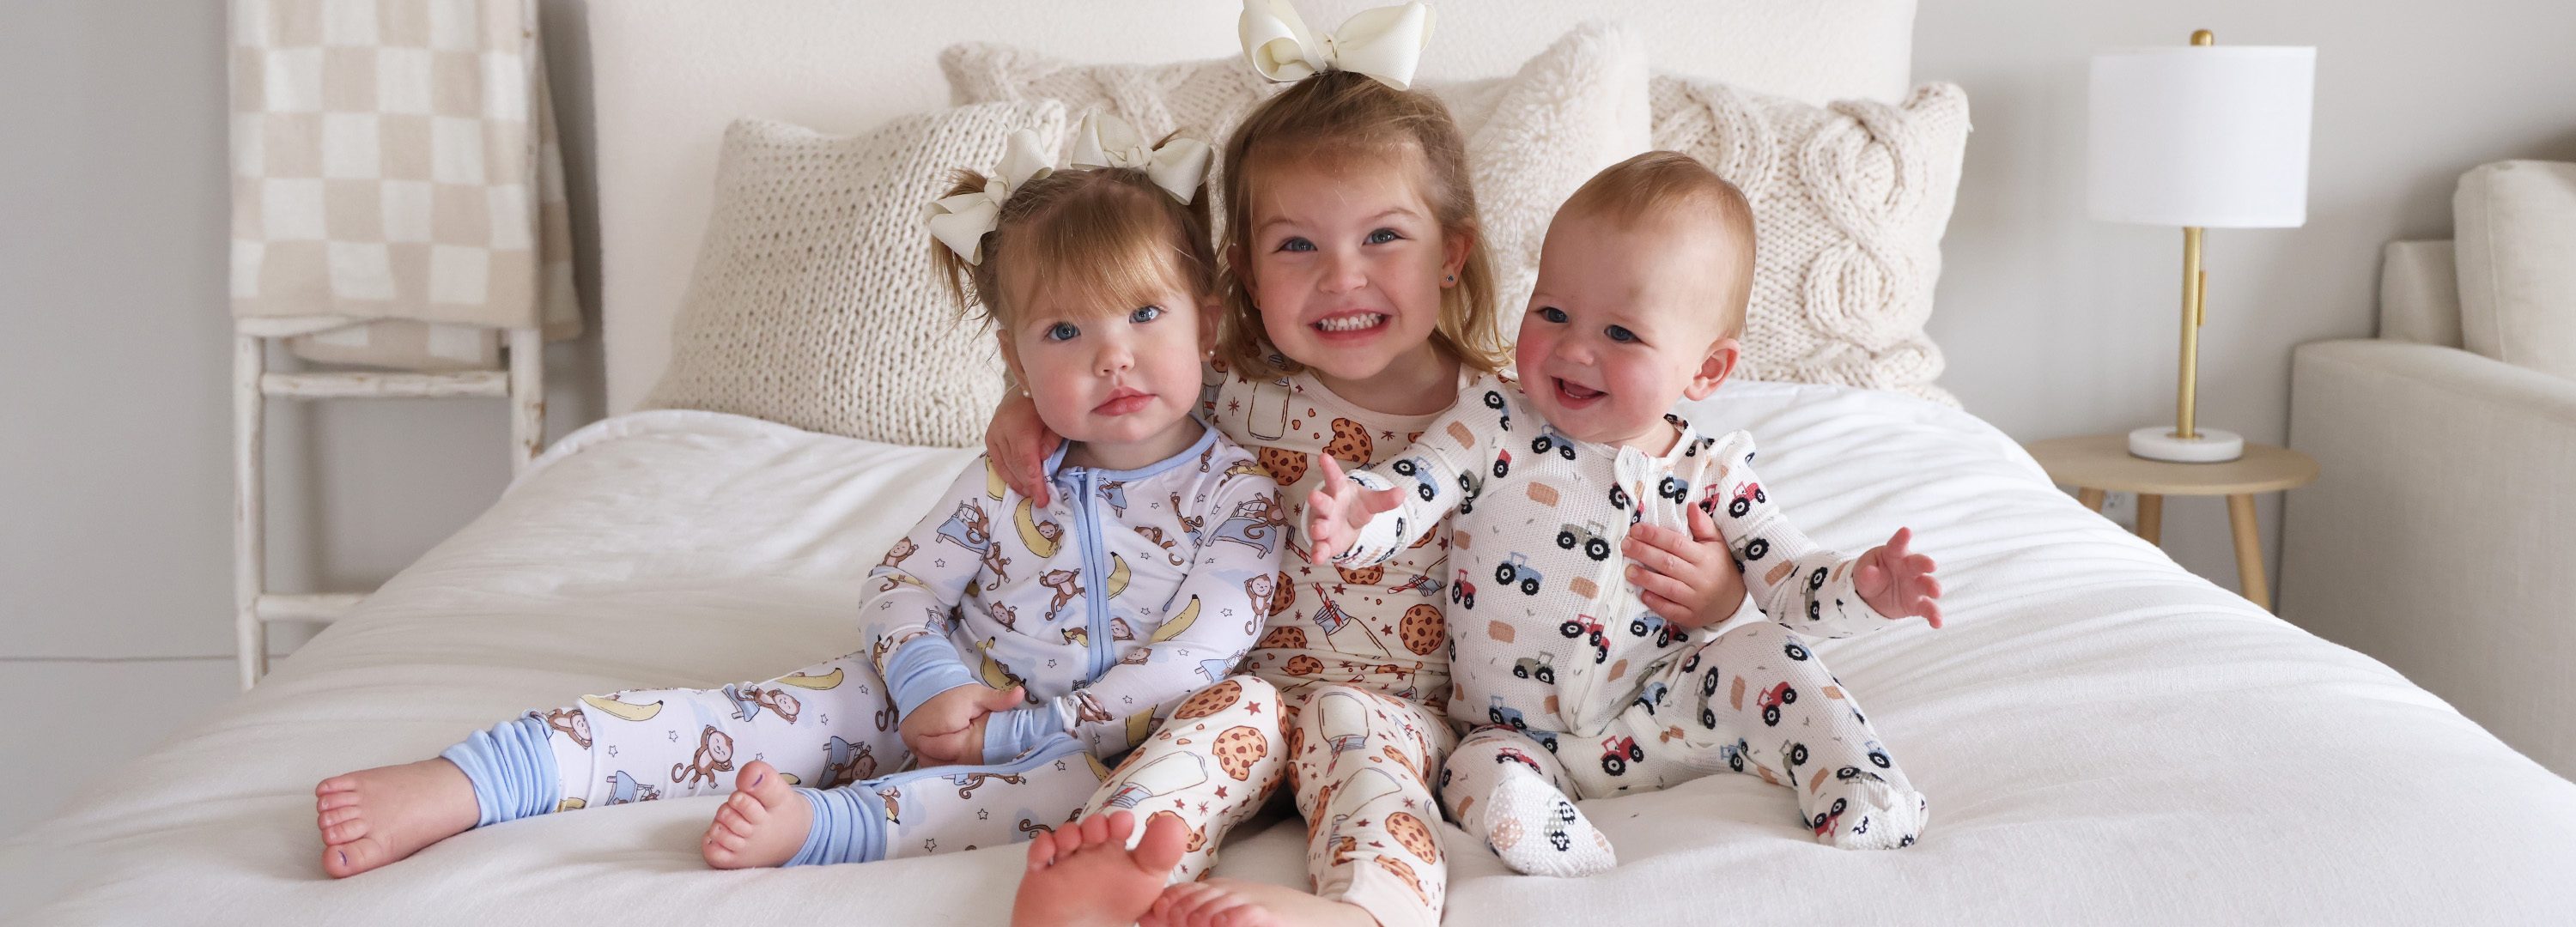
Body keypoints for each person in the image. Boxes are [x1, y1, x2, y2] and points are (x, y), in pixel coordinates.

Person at [314, 112, 1282, 880]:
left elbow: (1190, 659)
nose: (1112, 354)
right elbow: (903, 584)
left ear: (1206, 323)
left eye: (1144, 313)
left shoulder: (1236, 494)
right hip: (933, 690)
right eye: (1064, 331)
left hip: (1087, 744)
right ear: (1014, 360)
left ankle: (819, 828)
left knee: (1025, 801)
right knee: (733, 716)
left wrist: (1020, 730)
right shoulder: (1010, 473)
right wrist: (928, 682)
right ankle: (488, 776)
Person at [994, 3, 1517, 923]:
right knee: (1212, 725)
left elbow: (1607, 516)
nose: (1342, 275)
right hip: (1232, 690)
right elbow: (1110, 392)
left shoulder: (1495, 418)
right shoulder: (1228, 381)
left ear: (1453, 253)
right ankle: (1120, 872)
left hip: (1391, 708)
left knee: (1354, 738)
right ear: (1241, 270)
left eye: (1384, 237)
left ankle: (1361, 910)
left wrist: (1713, 589)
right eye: (1297, 245)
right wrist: (1019, 406)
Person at [1303, 151, 1946, 878]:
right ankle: (1533, 820)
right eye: (1552, 312)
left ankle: (1859, 783)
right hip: (1510, 731)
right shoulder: (1493, 421)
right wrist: (1358, 517)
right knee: (1472, 773)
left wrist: (1862, 587)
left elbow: (1790, 578)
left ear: (1705, 370)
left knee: (1768, 654)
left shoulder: (1712, 472)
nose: (1574, 348)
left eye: (1621, 334)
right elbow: (1415, 486)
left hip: (1658, 715)